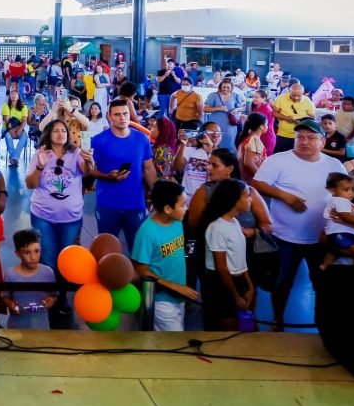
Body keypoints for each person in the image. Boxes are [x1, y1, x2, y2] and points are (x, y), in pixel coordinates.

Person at [251, 119, 349, 330]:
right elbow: (258, 184)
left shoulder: (334, 165)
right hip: (284, 236)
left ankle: (322, 323)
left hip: (321, 237)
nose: (304, 142)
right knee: (281, 283)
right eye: (300, 138)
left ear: (322, 142)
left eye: (311, 138)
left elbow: (346, 192)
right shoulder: (278, 161)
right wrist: (283, 195)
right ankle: (277, 320)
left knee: (321, 282)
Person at [25, 119, 91, 312]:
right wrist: (40, 166)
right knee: (47, 259)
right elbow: (30, 184)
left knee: (65, 261)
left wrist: (89, 159)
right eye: (56, 131)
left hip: (71, 219)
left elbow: (87, 171)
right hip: (42, 216)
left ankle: (61, 297)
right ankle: (49, 296)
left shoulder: (76, 153)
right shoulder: (41, 154)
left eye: (64, 130)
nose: (61, 133)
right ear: (49, 134)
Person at [131, 180, 199, 331]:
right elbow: (142, 270)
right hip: (162, 302)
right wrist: (176, 288)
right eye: (182, 205)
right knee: (172, 343)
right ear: (168, 208)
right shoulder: (147, 232)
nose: (186, 209)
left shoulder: (177, 221)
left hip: (179, 296)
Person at [90, 99, 156, 249]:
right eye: (117, 114)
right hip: (108, 204)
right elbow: (89, 169)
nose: (123, 118)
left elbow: (148, 168)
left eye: (125, 113)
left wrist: (156, 195)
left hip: (135, 204)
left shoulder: (141, 139)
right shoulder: (99, 141)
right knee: (106, 250)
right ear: (109, 116)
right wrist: (107, 177)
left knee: (139, 251)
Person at [199, 179, 255, 330]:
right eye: (247, 196)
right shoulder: (217, 228)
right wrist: (235, 296)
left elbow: (241, 261)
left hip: (237, 282)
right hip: (222, 285)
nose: (251, 199)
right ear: (234, 200)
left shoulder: (235, 223)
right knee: (229, 330)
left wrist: (250, 287)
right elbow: (222, 268)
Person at [2, 229, 58, 329]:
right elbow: (5, 296)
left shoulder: (48, 272)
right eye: (27, 253)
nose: (33, 257)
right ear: (18, 254)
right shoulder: (10, 274)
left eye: (37, 251)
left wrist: (52, 300)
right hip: (17, 326)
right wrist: (10, 304)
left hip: (42, 326)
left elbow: (54, 294)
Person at [319, 172, 354, 270]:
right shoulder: (340, 200)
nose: (350, 193)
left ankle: (325, 265)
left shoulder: (348, 203)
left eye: (352, 189)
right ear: (333, 191)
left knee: (336, 251)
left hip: (346, 232)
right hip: (339, 232)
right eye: (346, 190)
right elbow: (346, 216)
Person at [174, 121, 219, 206]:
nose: (215, 135)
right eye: (210, 133)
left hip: (209, 199)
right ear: (202, 134)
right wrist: (183, 144)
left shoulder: (224, 154)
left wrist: (210, 151)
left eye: (218, 133)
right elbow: (177, 168)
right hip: (187, 199)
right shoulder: (190, 150)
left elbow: (218, 175)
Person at [272, 82, 315, 153]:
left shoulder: (307, 101)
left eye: (299, 96)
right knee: (279, 156)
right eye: (293, 95)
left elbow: (312, 118)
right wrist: (287, 118)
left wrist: (301, 123)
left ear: (303, 93)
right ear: (289, 92)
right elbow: (274, 113)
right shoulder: (281, 98)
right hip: (283, 135)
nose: (296, 98)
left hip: (300, 136)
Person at [203, 80, 245, 152]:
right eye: (224, 87)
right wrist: (218, 108)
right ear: (220, 87)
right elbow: (205, 109)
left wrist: (237, 110)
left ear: (231, 88)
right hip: (215, 125)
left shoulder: (235, 96)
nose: (225, 89)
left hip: (230, 126)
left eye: (228, 87)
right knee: (213, 143)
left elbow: (242, 107)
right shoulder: (213, 95)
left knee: (229, 144)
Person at [1, 90, 30, 167]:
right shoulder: (6, 106)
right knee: (8, 136)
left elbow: (24, 121)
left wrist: (19, 130)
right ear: (10, 97)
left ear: (18, 96)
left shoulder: (24, 107)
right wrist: (12, 132)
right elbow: (7, 122)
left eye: (15, 94)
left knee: (24, 136)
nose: (13, 96)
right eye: (12, 94)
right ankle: (14, 157)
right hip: (8, 128)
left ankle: (14, 157)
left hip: (19, 127)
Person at [237, 112, 268, 181]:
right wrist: (261, 178)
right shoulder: (254, 140)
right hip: (250, 179)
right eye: (266, 124)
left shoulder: (249, 137)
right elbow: (248, 162)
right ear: (261, 126)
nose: (267, 126)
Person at [149, 115, 178, 182]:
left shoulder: (161, 151)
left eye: (154, 127)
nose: (150, 129)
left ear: (162, 132)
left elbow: (161, 176)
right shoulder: (167, 148)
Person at [249, 89, 276, 157]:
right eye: (254, 97)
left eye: (256, 97)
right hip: (259, 136)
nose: (254, 99)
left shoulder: (266, 109)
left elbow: (257, 123)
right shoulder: (257, 107)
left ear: (264, 98)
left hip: (266, 137)